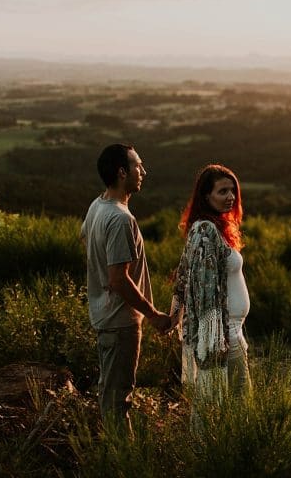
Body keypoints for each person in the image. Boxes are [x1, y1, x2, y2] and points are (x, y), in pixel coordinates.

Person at [80, 143, 171, 431]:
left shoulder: (98, 205)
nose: (143, 171)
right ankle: (122, 460)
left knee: (110, 392)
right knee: (119, 400)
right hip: (120, 322)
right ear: (122, 172)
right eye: (137, 166)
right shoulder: (120, 219)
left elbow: (85, 238)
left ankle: (111, 453)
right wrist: (153, 314)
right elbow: (119, 279)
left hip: (105, 316)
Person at [170, 164, 252, 402]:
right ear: (207, 196)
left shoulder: (218, 227)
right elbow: (189, 280)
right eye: (222, 191)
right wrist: (211, 338)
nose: (230, 197)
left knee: (232, 402)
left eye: (232, 190)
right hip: (221, 335)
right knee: (233, 404)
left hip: (231, 331)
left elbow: (182, 275)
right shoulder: (205, 231)